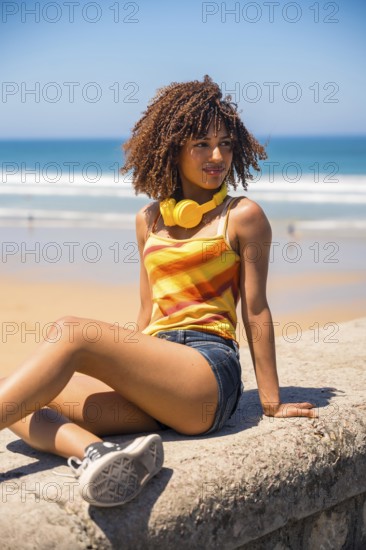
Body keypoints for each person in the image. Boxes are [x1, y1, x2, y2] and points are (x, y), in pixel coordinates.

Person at [0, 75, 316, 507]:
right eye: (201, 144)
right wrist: (123, 369)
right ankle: (97, 456)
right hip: (159, 378)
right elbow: (148, 312)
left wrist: (271, 399)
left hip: (206, 374)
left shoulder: (242, 216)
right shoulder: (148, 220)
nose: (217, 156)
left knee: (70, 330)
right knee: (22, 395)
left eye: (225, 143)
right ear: (174, 149)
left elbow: (256, 309)